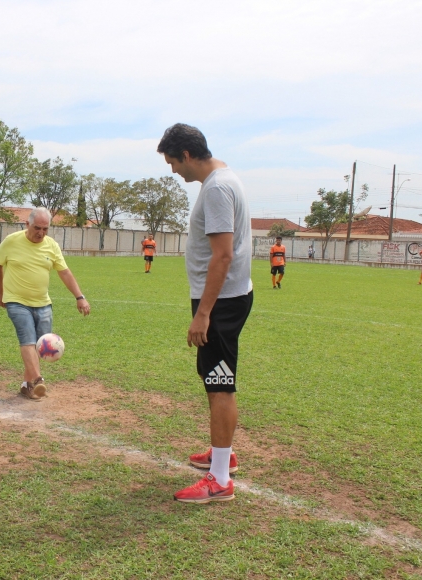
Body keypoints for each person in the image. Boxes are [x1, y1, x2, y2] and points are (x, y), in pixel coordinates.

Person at [158, 123, 252, 504]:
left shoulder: (216, 189)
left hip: (221, 302)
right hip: (224, 299)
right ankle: (221, 454)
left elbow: (223, 255)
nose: (173, 170)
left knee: (220, 383)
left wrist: (204, 314)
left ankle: (219, 480)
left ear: (186, 155)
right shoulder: (221, 177)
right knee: (212, 376)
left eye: (172, 162)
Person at [0, 207, 91, 400]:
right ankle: (38, 380)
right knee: (27, 338)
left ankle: (27, 385)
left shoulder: (51, 245)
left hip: (43, 303)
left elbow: (64, 272)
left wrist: (79, 297)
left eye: (45, 229)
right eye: (37, 228)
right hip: (16, 301)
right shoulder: (11, 241)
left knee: (40, 344)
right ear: (27, 224)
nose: (41, 233)